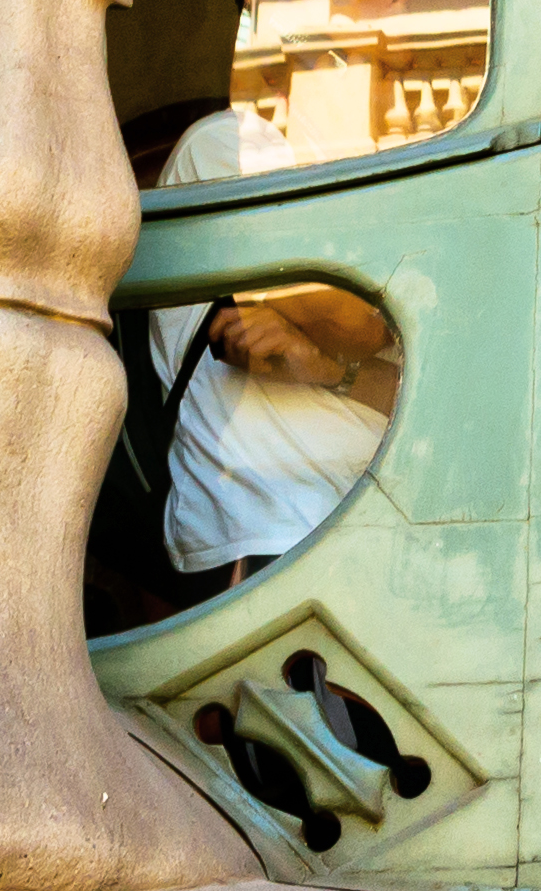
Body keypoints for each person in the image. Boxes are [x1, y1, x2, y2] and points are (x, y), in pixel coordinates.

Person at [143, 106, 401, 591]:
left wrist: (330, 371)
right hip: (272, 531)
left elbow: (420, 397)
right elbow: (362, 323)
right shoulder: (233, 142)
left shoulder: (373, 209)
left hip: (381, 531)